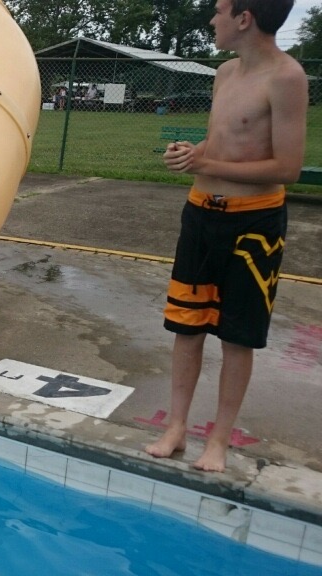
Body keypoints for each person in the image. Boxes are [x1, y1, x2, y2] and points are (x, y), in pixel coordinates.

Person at [145, 0, 307, 473]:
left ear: (244, 18)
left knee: (237, 335)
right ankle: (176, 427)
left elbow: (287, 167)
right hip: (200, 215)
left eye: (218, 11)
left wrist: (206, 164)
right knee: (186, 325)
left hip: (253, 225)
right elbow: (221, 144)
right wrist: (191, 153)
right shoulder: (224, 73)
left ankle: (217, 440)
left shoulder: (286, 78)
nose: (211, 20)